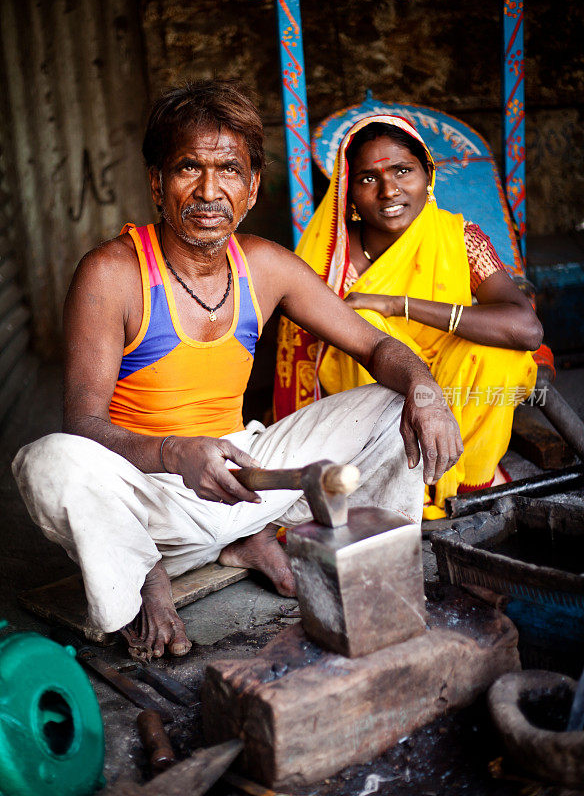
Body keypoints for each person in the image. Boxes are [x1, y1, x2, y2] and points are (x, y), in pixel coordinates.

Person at [12, 85, 462, 660]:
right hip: (145, 492)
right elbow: (84, 424)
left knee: (394, 401)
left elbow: (376, 346)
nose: (208, 190)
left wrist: (424, 390)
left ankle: (351, 557)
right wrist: (175, 453)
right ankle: (141, 577)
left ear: (251, 189)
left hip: (243, 477)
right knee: (49, 462)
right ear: (156, 182)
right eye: (188, 168)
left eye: (229, 169)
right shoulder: (112, 272)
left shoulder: (265, 264)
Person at [274, 115, 543, 520]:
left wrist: (397, 303)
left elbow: (526, 329)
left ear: (428, 175)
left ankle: (468, 488)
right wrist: (375, 314)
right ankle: (397, 483)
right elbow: (307, 353)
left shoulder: (459, 238)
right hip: (366, 396)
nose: (389, 191)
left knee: (500, 356)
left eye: (403, 170)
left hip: (452, 389)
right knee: (363, 321)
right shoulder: (332, 256)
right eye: (368, 178)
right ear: (348, 192)